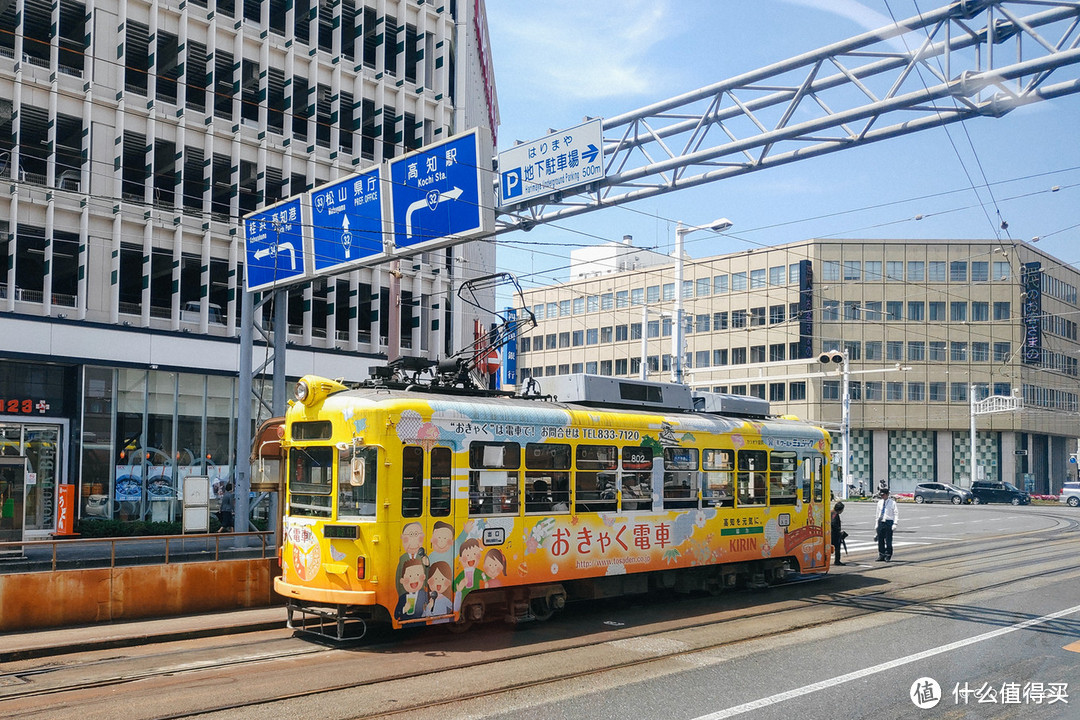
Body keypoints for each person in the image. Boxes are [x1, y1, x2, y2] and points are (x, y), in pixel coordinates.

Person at [875, 486, 899, 561]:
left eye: (883, 495)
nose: (882, 496)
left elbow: (896, 513)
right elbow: (877, 514)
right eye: (881, 495)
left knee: (888, 540)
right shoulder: (879, 502)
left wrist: (895, 523)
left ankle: (888, 554)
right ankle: (881, 554)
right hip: (881, 521)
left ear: (887, 494)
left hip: (888, 522)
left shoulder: (892, 503)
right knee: (880, 540)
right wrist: (876, 524)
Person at [831, 501, 846, 566]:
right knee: (837, 548)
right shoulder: (835, 514)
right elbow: (833, 523)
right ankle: (837, 561)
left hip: (829, 533)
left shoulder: (831, 512)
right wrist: (838, 531)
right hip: (834, 534)